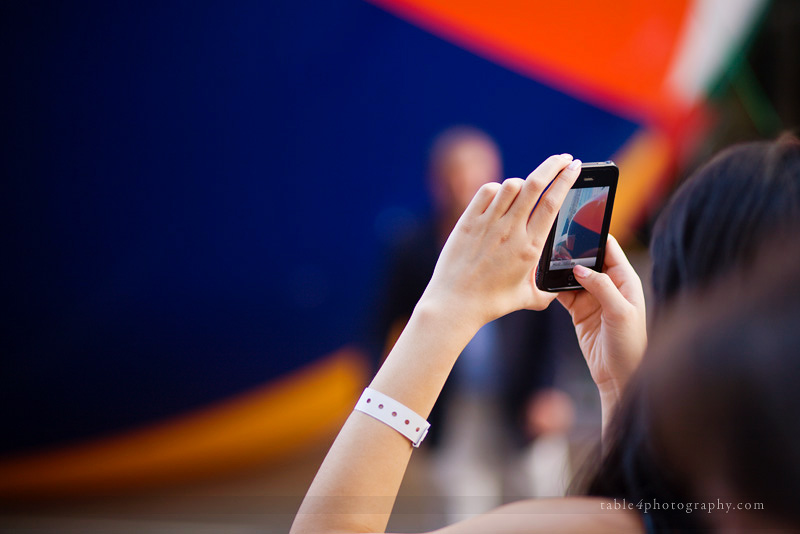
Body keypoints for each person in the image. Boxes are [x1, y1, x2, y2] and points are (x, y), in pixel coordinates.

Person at [292, 136, 800, 533]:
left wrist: (445, 309)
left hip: (519, 403)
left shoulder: (613, 525)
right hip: (460, 408)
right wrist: (624, 389)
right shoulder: (412, 243)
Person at [373, 127, 577, 517]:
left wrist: (551, 389)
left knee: (543, 506)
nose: (463, 185)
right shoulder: (412, 246)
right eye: (453, 174)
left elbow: (552, 319)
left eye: (473, 173)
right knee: (464, 509)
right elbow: (383, 325)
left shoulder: (524, 236)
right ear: (437, 181)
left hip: (522, 394)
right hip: (454, 406)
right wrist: (384, 400)